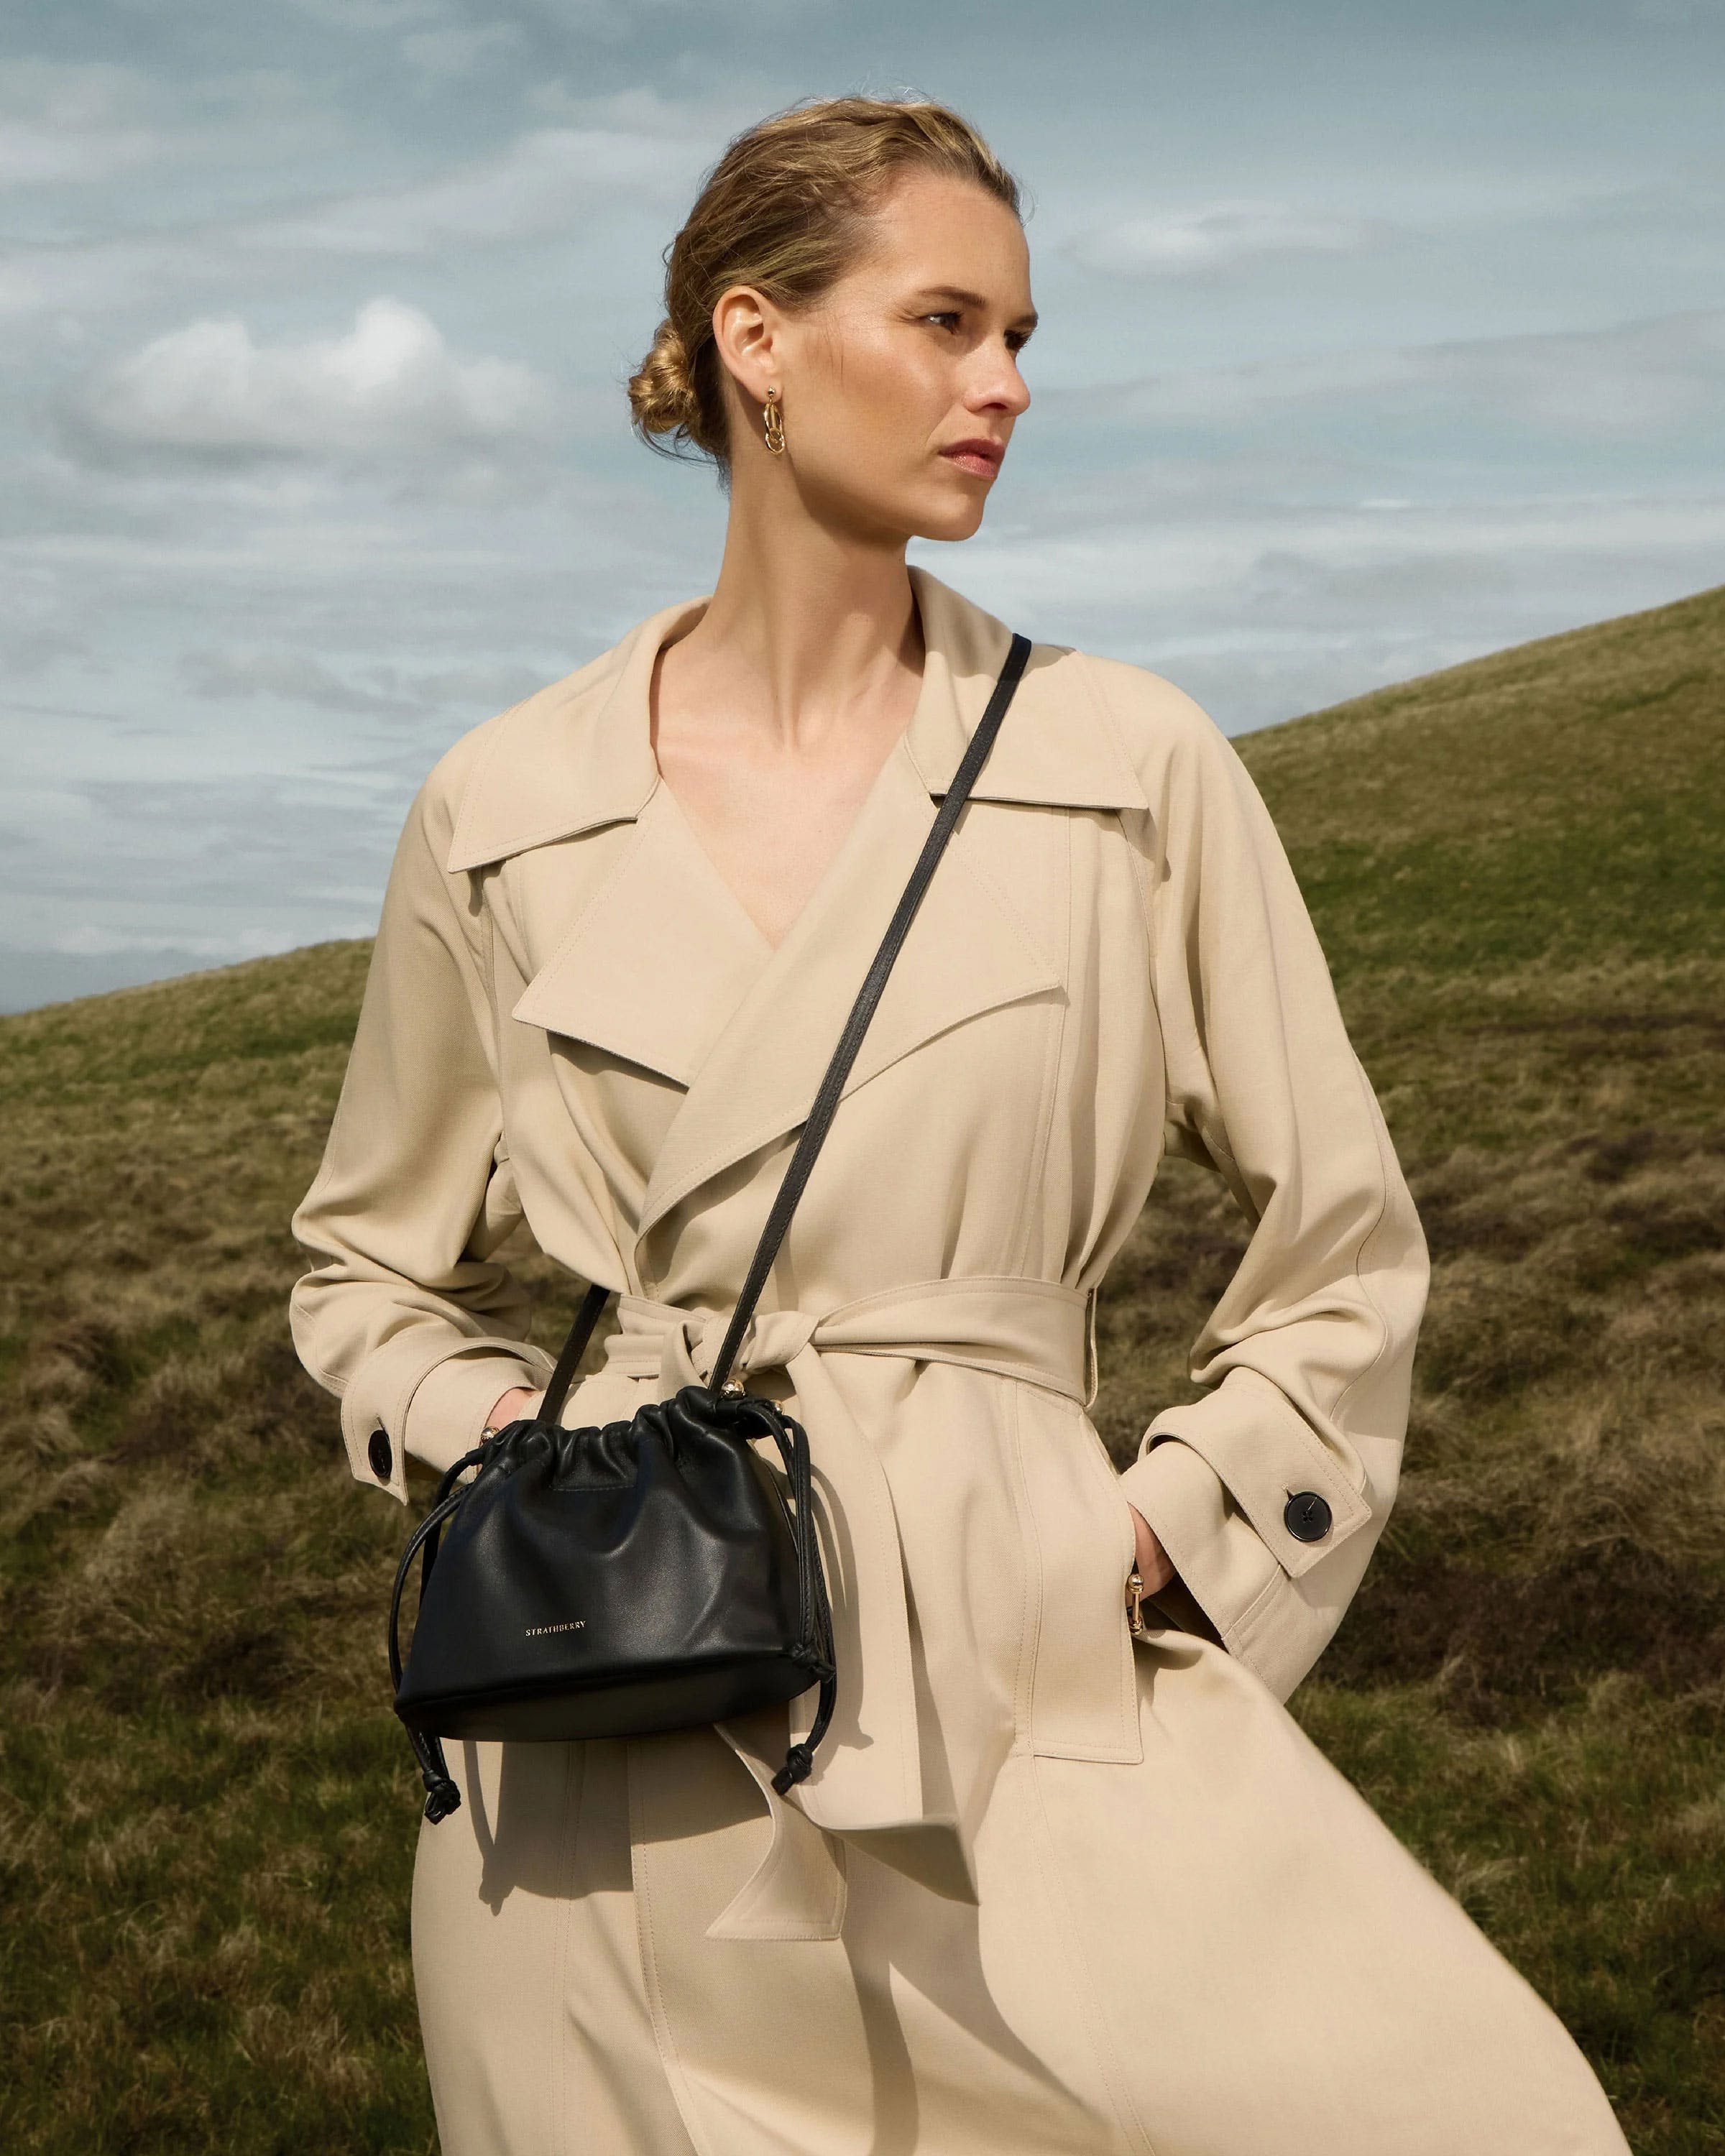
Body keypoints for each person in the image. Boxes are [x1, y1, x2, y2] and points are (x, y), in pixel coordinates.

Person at [288, 93, 1632, 2156]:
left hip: (1020, 1684)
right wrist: (500, 1450)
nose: (1004, 386)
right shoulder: (503, 804)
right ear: (758, 339)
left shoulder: (1128, 764)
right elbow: (366, 1261)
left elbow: (1345, 1244)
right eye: (944, 322)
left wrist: (1137, 1535)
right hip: (609, 1730)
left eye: (1021, 338)